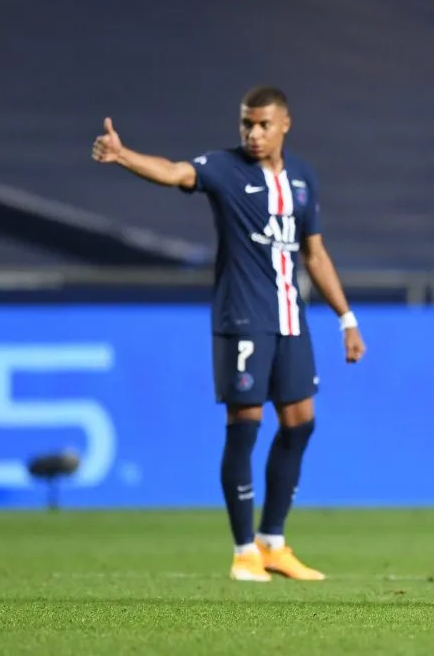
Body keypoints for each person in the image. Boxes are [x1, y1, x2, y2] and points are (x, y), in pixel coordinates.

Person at [91, 85, 366, 582]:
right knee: (245, 426)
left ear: (285, 125)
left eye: (263, 125)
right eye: (246, 124)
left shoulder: (302, 178)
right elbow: (175, 172)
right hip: (242, 319)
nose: (253, 133)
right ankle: (243, 552)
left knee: (300, 423)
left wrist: (346, 318)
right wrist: (123, 155)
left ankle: (272, 543)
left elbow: (315, 253)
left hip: (291, 319)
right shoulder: (224, 168)